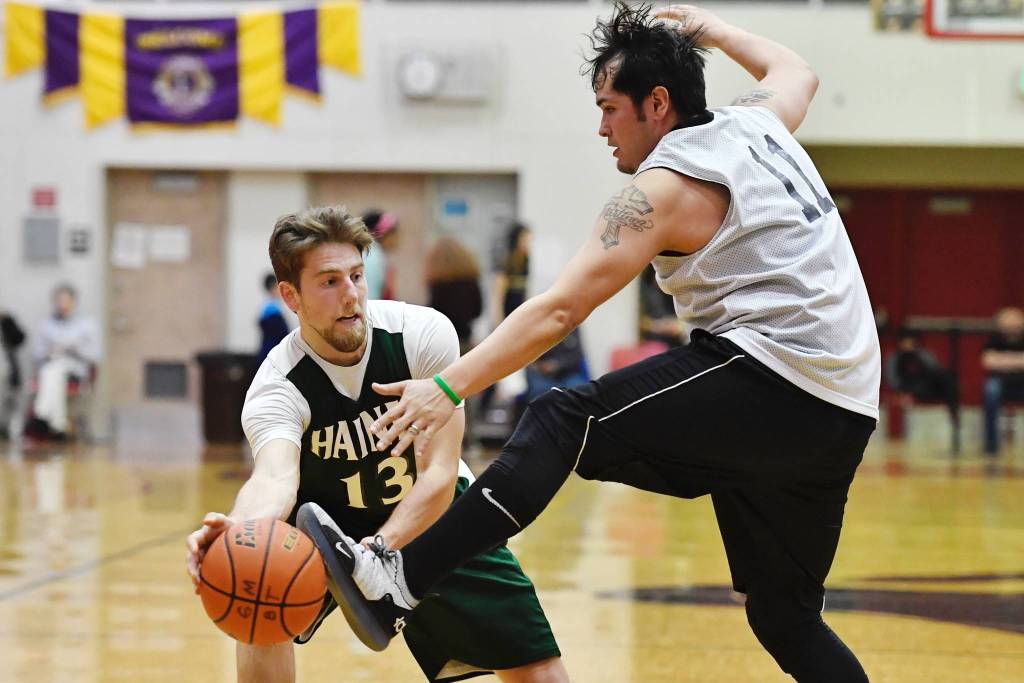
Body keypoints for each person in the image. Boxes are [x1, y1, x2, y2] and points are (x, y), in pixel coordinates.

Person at [300, 5, 880, 682]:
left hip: (776, 378)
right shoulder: (755, 121)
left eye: (611, 108)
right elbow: (796, 71)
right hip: (843, 407)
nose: (602, 127)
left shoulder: (662, 189)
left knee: (560, 416)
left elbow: (557, 310)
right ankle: (397, 578)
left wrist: (449, 385)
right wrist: (712, 30)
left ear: (656, 104)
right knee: (785, 616)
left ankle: (399, 579)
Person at [185, 206, 567, 683]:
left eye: (357, 276)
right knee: (258, 596)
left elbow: (439, 474)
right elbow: (275, 477)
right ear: (291, 296)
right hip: (326, 529)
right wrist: (237, 531)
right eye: (329, 282)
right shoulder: (276, 386)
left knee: (540, 671)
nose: (351, 296)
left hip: (432, 513)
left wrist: (378, 553)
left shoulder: (421, 336)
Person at [26, 283, 101, 441]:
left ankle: (41, 414)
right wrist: (51, 351)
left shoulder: (86, 324)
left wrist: (74, 348)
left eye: (65, 300)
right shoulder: (46, 324)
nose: (62, 304)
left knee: (53, 371)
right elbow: (37, 353)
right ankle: (58, 426)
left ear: (73, 301)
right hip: (52, 366)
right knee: (53, 372)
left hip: (77, 369)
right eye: (59, 300)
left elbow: (95, 355)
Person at [885, 329, 959, 435]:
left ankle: (953, 413)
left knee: (947, 379)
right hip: (909, 389)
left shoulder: (922, 354)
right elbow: (893, 379)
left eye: (910, 342)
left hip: (926, 386)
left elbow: (934, 369)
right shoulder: (894, 358)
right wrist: (902, 392)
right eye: (905, 342)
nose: (908, 345)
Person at [425, 236, 483, 354]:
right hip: (465, 339)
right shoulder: (471, 280)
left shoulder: (438, 283)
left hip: (442, 342)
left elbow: (433, 311)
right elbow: (478, 311)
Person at [981, 306, 1024, 455]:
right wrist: (1017, 360)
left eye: (1016, 322)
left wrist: (1004, 360)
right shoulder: (994, 339)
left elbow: (996, 360)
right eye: (1008, 322)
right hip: (1000, 382)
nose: (1012, 326)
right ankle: (991, 444)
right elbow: (988, 361)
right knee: (990, 390)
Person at [362, 209, 400, 300]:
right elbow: (370, 296)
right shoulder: (371, 257)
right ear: (384, 234)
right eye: (395, 233)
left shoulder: (376, 255)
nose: (398, 239)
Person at [0, 310, 26, 439]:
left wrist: (6, 321)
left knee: (9, 399)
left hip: (6, 370)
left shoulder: (5, 320)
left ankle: (8, 429)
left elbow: (20, 338)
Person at [257, 272, 291, 364]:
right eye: (278, 287)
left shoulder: (265, 306)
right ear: (272, 288)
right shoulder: (272, 310)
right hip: (272, 356)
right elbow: (282, 335)